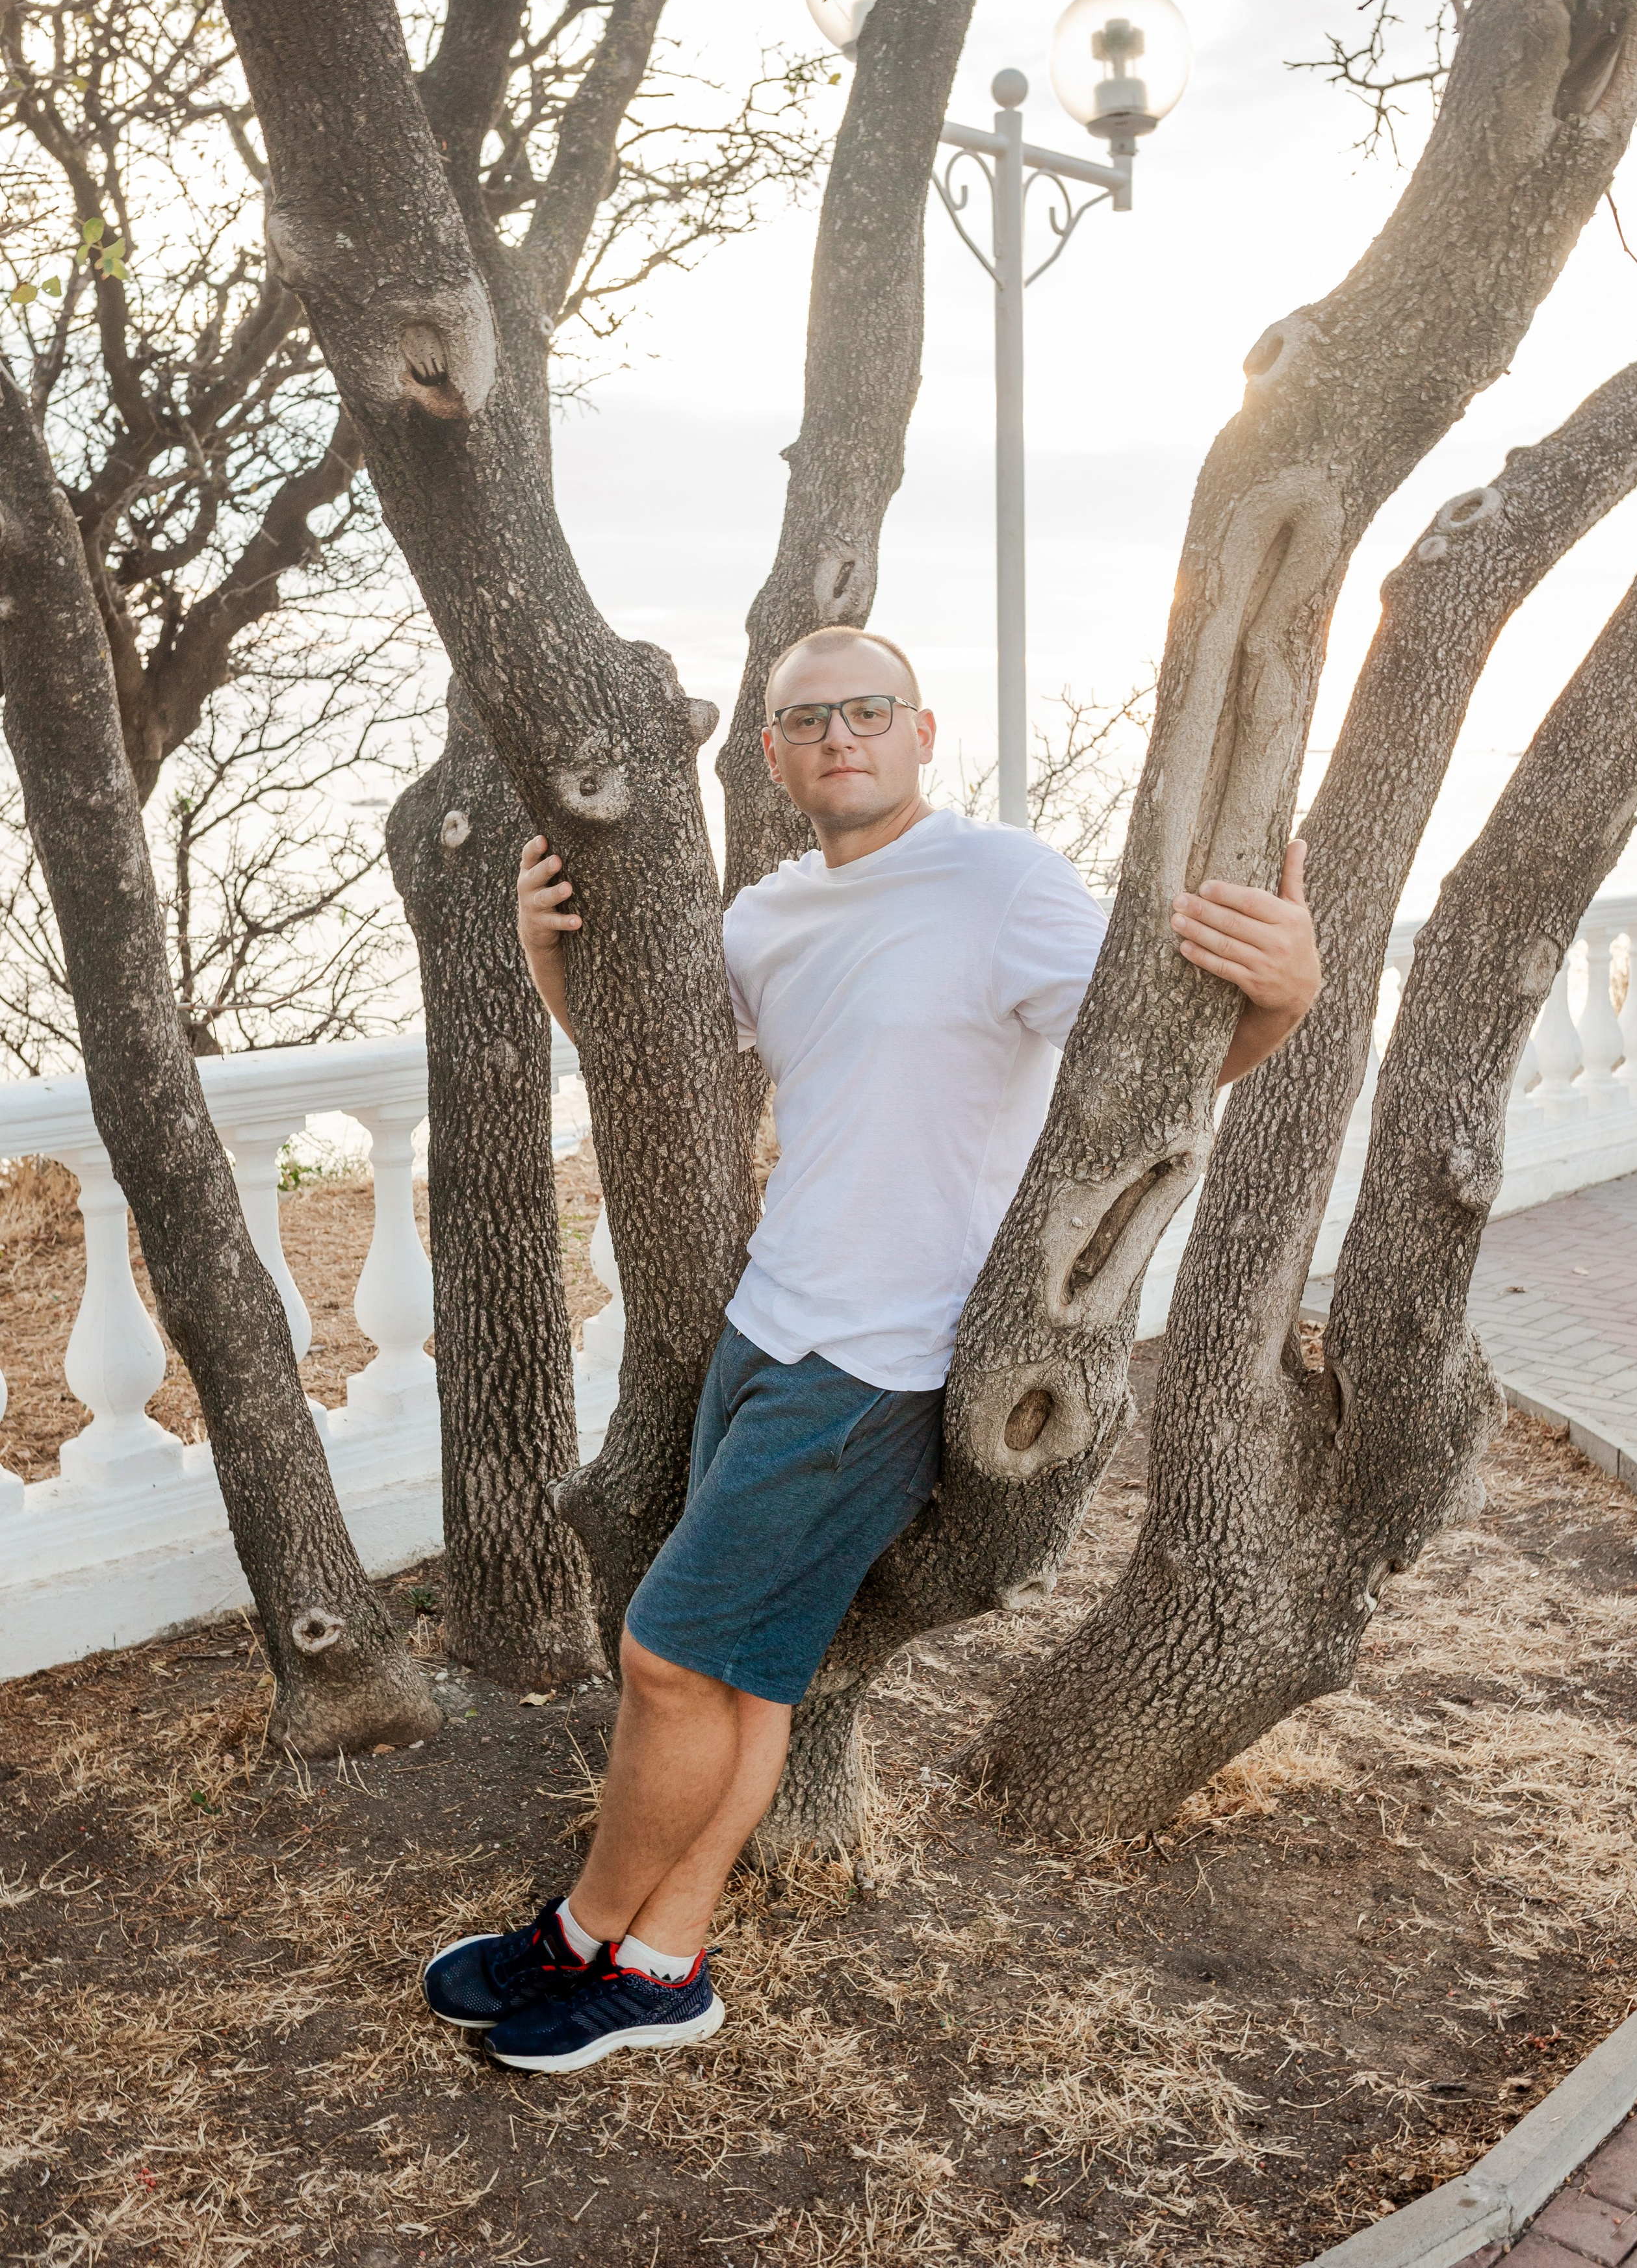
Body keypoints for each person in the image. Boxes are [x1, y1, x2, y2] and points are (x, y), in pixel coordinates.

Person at [422, 626, 1321, 2074]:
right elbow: (655, 1053)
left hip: (881, 1358)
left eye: (868, 710)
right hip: (768, 1318)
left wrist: (1280, 996)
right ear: (771, 759)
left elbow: (1150, 1064)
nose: (840, 733)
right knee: (752, 1675)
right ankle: (661, 1965)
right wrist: (543, 955)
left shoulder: (1005, 886)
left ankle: (580, 1934)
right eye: (806, 718)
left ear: (918, 730)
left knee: (662, 1658)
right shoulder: (767, 912)